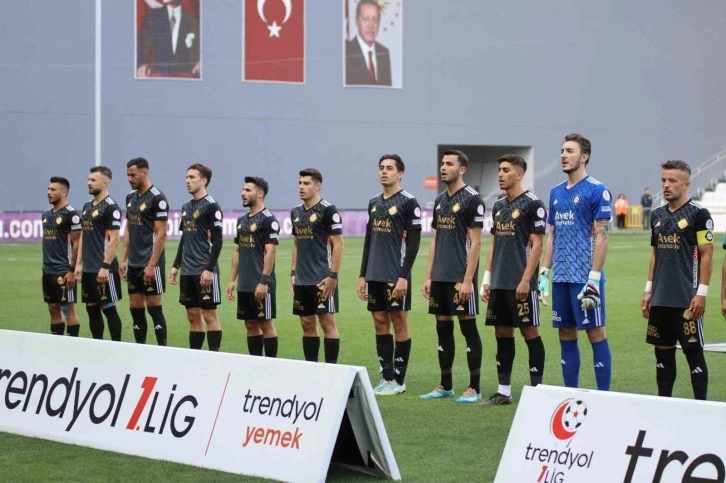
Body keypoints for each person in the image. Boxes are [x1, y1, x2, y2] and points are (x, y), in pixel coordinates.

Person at [538, 133, 612, 391]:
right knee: (565, 333)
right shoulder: (555, 192)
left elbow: (602, 235)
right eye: (562, 151)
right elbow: (551, 234)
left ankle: (604, 397)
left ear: (584, 157)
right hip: (561, 277)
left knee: (595, 333)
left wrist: (594, 279)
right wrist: (544, 272)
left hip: (585, 278)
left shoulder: (598, 190)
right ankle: (571, 393)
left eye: (569, 151)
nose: (563, 155)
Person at [642, 160, 713, 400]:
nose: (666, 185)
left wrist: (701, 293)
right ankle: (665, 406)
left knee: (693, 354)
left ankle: (701, 407)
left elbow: (707, 255)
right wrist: (648, 290)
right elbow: (655, 254)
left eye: (672, 180)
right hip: (660, 299)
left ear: (686, 184)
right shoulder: (657, 215)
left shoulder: (699, 214)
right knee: (662, 356)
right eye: (664, 180)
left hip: (687, 300)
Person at [479, 155, 547, 405]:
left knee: (530, 332)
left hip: (522, 284)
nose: (500, 174)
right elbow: (495, 242)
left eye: (506, 170)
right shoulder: (498, 206)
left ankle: (537, 391)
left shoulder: (533, 204)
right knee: (502, 333)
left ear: (519, 175)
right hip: (499, 282)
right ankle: (504, 392)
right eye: (499, 169)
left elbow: (538, 245)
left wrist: (526, 280)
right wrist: (487, 277)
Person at [421, 149, 485, 404]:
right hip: (440, 276)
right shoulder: (439, 200)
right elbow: (435, 240)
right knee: (443, 329)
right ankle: (445, 385)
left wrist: (468, 280)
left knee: (468, 328)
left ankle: (474, 387)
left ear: (462, 169)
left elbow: (476, 243)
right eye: (442, 163)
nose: (443, 167)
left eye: (449, 164)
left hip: (460, 277)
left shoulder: (472, 199)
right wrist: (429, 276)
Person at [358, 154, 422, 395]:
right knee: (379, 321)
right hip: (374, 273)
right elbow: (368, 240)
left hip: (396, 275)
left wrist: (403, 276)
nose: (384, 172)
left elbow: (413, 244)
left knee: (399, 322)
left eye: (389, 168)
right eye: (381, 168)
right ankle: (386, 378)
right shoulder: (374, 202)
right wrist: (362, 275)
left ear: (400, 173)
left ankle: (399, 380)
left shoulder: (409, 202)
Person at [290, 169, 343, 363]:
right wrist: (293, 273)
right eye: (300, 183)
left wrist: (333, 276)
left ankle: (331, 370)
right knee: (306, 323)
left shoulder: (328, 210)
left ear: (318, 186)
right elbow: (296, 244)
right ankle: (312, 369)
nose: (301, 187)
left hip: (322, 278)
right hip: (302, 278)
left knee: (327, 323)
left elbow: (339, 244)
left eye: (306, 183)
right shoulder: (295, 212)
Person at [169, 163, 223, 351]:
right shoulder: (186, 207)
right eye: (187, 177)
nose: (187, 181)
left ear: (204, 181)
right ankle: (195, 356)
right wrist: (176, 265)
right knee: (192, 316)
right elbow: (185, 238)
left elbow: (217, 241)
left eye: (192, 177)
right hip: (187, 271)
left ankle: (214, 356)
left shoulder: (211, 206)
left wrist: (209, 269)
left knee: (209, 315)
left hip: (204, 271)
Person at [226, 177, 280, 358]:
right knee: (250, 323)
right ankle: (255, 363)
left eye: (248, 190)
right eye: (243, 190)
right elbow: (237, 251)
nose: (243, 193)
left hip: (261, 283)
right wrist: (232, 280)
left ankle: (271, 364)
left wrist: (263, 281)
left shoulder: (268, 219)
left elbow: (271, 252)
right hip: (245, 283)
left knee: (265, 323)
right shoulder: (241, 220)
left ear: (260, 194)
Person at [119, 157, 170, 346]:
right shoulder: (130, 197)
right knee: (135, 308)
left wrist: (151, 265)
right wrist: (123, 259)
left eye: (133, 175)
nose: (129, 179)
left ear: (144, 173)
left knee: (154, 307)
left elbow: (161, 234)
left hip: (151, 264)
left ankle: (162, 351)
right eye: (127, 175)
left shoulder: (157, 198)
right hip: (133, 263)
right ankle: (140, 350)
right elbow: (129, 229)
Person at [74, 166, 124, 341]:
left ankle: (116, 346)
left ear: (105, 183)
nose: (89, 183)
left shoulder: (111, 208)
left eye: (93, 180)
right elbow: (83, 236)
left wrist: (105, 267)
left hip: (104, 269)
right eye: (88, 179)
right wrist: (78, 263)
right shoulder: (87, 206)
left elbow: (115, 240)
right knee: (92, 309)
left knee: (108, 308)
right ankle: (98, 346)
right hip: (88, 269)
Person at [42, 177, 82, 336]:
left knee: (68, 309)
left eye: (53, 190)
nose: (48, 192)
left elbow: (76, 244)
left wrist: (72, 270)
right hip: (48, 270)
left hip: (64, 271)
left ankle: (73, 343)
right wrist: (43, 269)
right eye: (48, 189)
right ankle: (56, 342)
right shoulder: (46, 215)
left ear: (64, 192)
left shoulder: (71, 214)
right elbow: (47, 244)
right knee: (52, 308)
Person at [136, 0, 201, 78]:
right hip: (157, 76)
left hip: (183, 77)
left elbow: (197, 52)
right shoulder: (153, 16)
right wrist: (140, 65)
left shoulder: (191, 20)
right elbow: (140, 47)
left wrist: (200, 62)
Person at [345, 0, 392, 86]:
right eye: (366, 19)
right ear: (357, 21)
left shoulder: (384, 52)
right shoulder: (346, 53)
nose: (371, 25)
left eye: (375, 19)